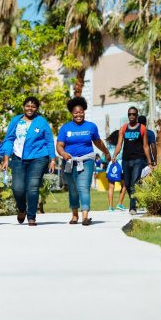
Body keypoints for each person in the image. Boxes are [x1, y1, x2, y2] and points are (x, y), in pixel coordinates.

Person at [0, 97, 56, 226]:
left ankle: (31, 216)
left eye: (33, 106)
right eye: (28, 106)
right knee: (17, 188)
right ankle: (22, 209)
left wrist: (52, 159)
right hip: (18, 158)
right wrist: (6, 158)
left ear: (37, 108)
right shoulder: (16, 120)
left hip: (38, 158)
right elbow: (9, 139)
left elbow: (49, 141)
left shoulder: (41, 121)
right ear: (23, 107)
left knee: (33, 187)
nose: (30, 108)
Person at [56, 97, 111, 226]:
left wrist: (106, 152)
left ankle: (85, 216)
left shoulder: (91, 126)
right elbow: (59, 145)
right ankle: (74, 215)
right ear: (71, 113)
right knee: (73, 189)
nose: (78, 115)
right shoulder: (65, 128)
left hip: (87, 160)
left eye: (81, 112)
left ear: (84, 112)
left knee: (83, 187)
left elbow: (98, 142)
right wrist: (63, 154)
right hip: (69, 162)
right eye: (76, 112)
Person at [112, 107, 153, 215]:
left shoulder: (142, 128)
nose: (131, 116)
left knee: (134, 183)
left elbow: (146, 146)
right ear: (128, 115)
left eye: (134, 114)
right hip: (126, 160)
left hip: (138, 159)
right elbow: (119, 144)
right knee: (127, 183)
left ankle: (132, 207)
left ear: (137, 115)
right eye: (130, 114)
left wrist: (150, 162)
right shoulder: (123, 128)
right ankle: (136, 199)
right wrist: (114, 155)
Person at [105, 130, 127, 211]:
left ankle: (110, 207)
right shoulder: (123, 143)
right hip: (121, 165)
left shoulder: (109, 144)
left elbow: (107, 156)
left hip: (111, 165)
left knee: (111, 187)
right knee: (124, 185)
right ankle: (120, 203)